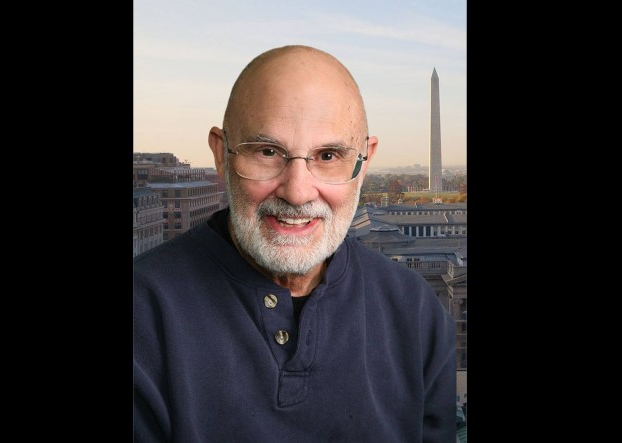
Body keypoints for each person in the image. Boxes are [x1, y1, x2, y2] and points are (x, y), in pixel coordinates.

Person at [133, 44, 457, 442]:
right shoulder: (143, 315)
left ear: (364, 163)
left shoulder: (416, 311)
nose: (298, 192)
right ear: (221, 153)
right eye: (267, 152)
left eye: (328, 155)